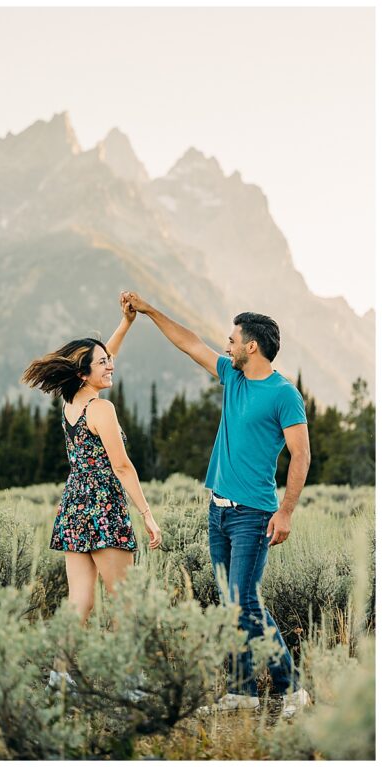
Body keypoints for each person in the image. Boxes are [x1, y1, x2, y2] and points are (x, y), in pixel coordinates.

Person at [122, 291, 312, 719]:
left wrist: (286, 511)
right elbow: (190, 343)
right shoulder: (233, 376)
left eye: (232, 339)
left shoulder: (284, 394)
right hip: (218, 511)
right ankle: (243, 691)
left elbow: (301, 455)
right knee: (230, 602)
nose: (225, 346)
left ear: (251, 346)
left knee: (245, 600)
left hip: (254, 513)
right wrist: (151, 311)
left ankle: (292, 688)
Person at [22, 294, 162, 630]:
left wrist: (126, 323)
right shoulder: (102, 409)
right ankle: (130, 682)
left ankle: (60, 679)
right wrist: (147, 514)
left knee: (79, 602)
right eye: (103, 363)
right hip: (103, 504)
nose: (110, 365)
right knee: (124, 599)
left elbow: (104, 355)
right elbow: (122, 466)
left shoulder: (71, 407)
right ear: (84, 374)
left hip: (74, 503)